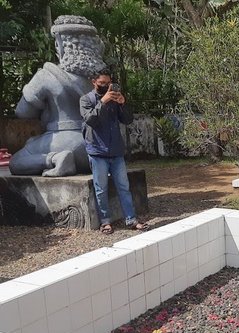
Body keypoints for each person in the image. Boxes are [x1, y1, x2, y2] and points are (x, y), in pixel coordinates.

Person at [10, 15, 106, 176]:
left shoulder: (47, 75)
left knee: (16, 161)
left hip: (65, 141)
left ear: (61, 45)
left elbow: (22, 112)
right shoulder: (102, 79)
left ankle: (55, 159)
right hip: (98, 146)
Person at [80, 69, 148, 234]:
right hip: (97, 152)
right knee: (101, 188)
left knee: (124, 187)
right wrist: (103, 102)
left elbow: (127, 119)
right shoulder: (85, 100)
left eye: (107, 83)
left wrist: (122, 103)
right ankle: (105, 222)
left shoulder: (114, 99)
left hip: (116, 151)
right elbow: (90, 120)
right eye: (102, 83)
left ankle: (131, 219)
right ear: (93, 82)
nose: (105, 87)